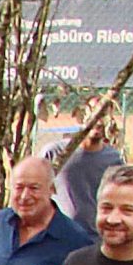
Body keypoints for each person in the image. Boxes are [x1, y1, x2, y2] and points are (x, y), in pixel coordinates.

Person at [47, 97, 122, 229]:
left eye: (104, 115)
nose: (98, 122)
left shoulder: (114, 159)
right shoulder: (55, 152)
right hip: (58, 236)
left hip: (95, 238)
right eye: (94, 113)